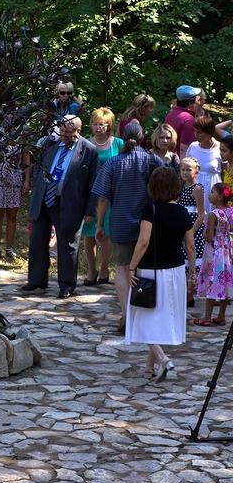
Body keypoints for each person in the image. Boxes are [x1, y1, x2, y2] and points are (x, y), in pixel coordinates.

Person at [126, 167, 195, 381]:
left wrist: (131, 267)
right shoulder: (183, 212)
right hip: (175, 271)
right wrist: (192, 271)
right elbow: (190, 246)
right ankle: (149, 369)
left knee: (142, 320)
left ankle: (163, 359)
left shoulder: (151, 210)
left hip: (151, 272)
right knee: (160, 319)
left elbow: (144, 241)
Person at [92, 121, 160, 331]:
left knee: (121, 269)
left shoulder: (113, 163)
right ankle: (143, 313)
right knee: (142, 268)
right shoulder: (152, 160)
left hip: (120, 222)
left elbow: (102, 198)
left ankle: (125, 313)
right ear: (142, 137)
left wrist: (100, 224)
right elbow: (165, 188)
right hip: (147, 223)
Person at [22, 114, 99, 299]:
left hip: (69, 202)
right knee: (37, 240)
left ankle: (66, 285)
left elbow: (93, 183)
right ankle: (36, 280)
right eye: (62, 131)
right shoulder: (51, 143)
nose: (63, 135)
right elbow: (39, 168)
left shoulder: (89, 150)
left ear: (78, 131)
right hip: (44, 200)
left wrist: (90, 210)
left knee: (67, 245)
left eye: (68, 132)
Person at [82, 108, 124, 285]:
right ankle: (92, 269)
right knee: (89, 235)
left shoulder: (118, 144)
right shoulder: (85, 143)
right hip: (90, 194)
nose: (98, 127)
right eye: (95, 123)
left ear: (109, 126)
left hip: (110, 195)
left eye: (102, 124)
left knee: (105, 234)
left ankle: (105, 267)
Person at [194, 183, 233, 326]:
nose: (209, 194)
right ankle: (221, 316)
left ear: (220, 196)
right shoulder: (231, 211)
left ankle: (207, 317)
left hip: (214, 254)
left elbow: (209, 237)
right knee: (225, 282)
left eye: (212, 192)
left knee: (212, 282)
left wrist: (204, 232)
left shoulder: (213, 214)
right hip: (227, 253)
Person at [0, 144, 30, 262]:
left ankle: (9, 248)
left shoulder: (22, 141)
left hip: (15, 183)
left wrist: (27, 181)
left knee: (12, 217)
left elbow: (27, 164)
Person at [177, 158, 205, 304]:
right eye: (183, 169)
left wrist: (192, 232)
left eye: (189, 169)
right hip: (182, 227)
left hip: (192, 228)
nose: (186, 172)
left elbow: (201, 214)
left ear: (196, 171)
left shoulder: (197, 188)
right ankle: (183, 293)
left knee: (192, 261)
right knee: (183, 263)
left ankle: (190, 295)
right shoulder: (182, 187)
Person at [185, 115, 223, 212]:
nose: (196, 135)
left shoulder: (220, 147)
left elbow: (227, 170)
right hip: (194, 188)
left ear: (209, 132)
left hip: (213, 190)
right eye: (195, 131)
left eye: (200, 132)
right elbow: (185, 168)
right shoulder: (193, 147)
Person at [164, 85, 203, 159]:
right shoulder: (189, 120)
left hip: (168, 159)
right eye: (198, 100)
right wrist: (183, 169)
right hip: (179, 163)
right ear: (191, 103)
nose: (199, 103)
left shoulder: (170, 114)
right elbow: (184, 148)